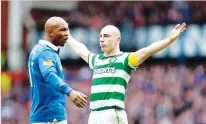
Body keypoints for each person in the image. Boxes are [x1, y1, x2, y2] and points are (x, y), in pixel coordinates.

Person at [67, 23, 186, 124]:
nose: (102, 39)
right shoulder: (96, 60)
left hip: (112, 113)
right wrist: (67, 36)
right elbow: (81, 50)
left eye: (106, 36)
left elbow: (147, 51)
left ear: (117, 40)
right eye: (101, 36)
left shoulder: (125, 59)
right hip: (94, 114)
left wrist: (169, 40)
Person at [28, 17, 87, 124]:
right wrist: (70, 92)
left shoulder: (42, 50)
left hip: (45, 115)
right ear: (50, 32)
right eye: (62, 30)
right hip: (50, 117)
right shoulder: (45, 52)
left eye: (67, 30)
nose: (67, 34)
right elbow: (49, 74)